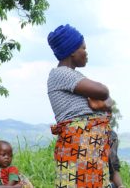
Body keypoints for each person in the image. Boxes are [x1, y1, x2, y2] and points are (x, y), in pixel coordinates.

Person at [47, 24, 113, 187]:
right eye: (83, 48)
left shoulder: (74, 76)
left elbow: (108, 101)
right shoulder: (61, 74)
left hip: (89, 148)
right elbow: (104, 92)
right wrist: (102, 102)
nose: (86, 52)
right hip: (80, 144)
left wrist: (104, 103)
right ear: (72, 51)